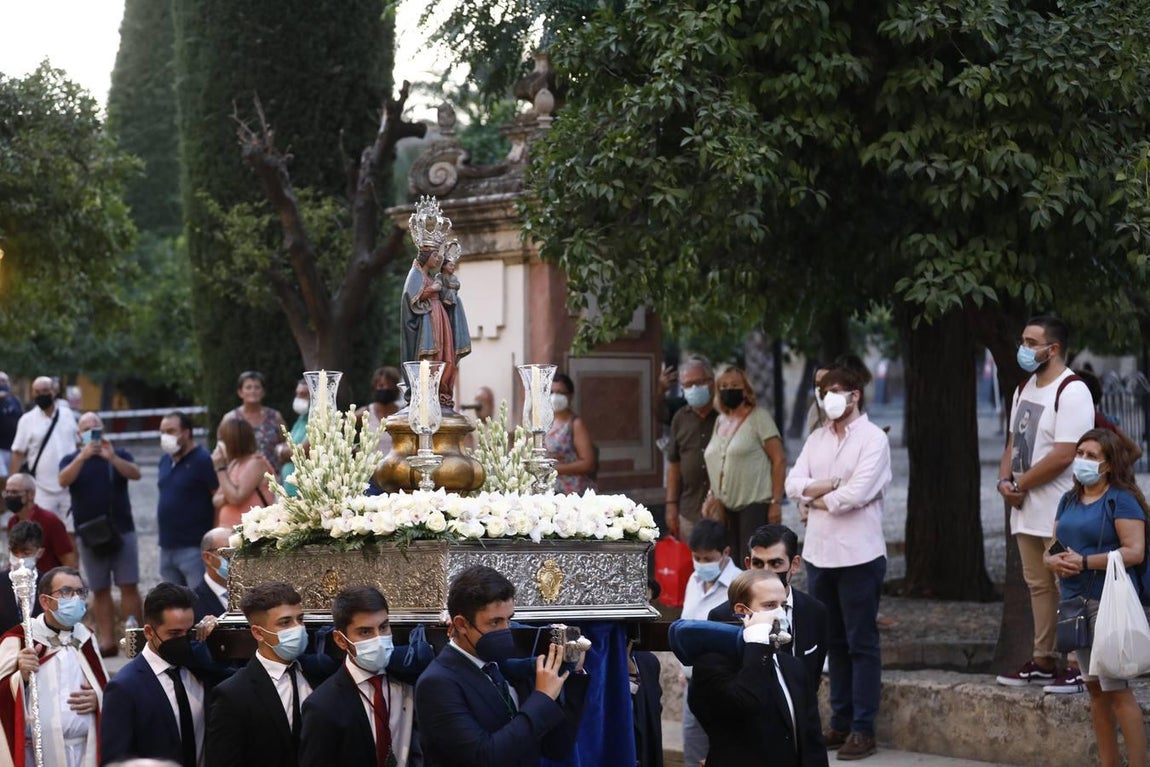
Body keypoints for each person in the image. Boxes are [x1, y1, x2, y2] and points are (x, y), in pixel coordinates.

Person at [785, 362, 891, 761]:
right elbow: (792, 484)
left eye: (834, 391)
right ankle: (841, 721)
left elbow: (858, 495)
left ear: (854, 395)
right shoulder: (817, 439)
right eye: (822, 391)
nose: (826, 398)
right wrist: (827, 487)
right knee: (833, 642)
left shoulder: (873, 440)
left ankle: (864, 728)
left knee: (861, 642)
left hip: (860, 554)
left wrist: (813, 499)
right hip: (820, 554)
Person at [996, 316, 1094, 692]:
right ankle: (1043, 658)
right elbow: (1012, 444)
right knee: (1038, 585)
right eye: (1022, 339)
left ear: (1052, 349)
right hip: (1025, 509)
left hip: (1058, 509)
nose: (1023, 347)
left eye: (1031, 341)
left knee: (1067, 583)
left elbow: (1066, 452)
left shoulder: (1071, 391)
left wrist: (1019, 482)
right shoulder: (1024, 388)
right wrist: (1006, 481)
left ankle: (1075, 662)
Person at [415, 564, 589, 767]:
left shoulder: (508, 664)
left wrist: (573, 671)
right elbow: (484, 757)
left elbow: (556, 748)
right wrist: (542, 698)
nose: (506, 631)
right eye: (494, 623)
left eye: (509, 620)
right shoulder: (437, 683)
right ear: (462, 625)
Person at [1044, 429, 1147, 767]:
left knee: (1116, 688)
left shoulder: (1121, 499)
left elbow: (1134, 551)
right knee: (1095, 690)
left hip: (1107, 602)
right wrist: (1052, 560)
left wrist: (1086, 562)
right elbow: (1052, 545)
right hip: (1074, 603)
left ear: (1108, 463)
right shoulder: (1068, 499)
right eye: (1080, 453)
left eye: (1091, 455)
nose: (1082, 461)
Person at [688, 570, 829, 767]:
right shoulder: (712, 665)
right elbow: (746, 703)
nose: (780, 613)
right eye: (770, 605)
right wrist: (757, 641)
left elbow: (812, 741)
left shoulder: (793, 666)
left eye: (783, 605)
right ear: (742, 610)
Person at [0, 566, 109, 767]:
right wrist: (20, 678)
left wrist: (99, 699)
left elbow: (104, 687)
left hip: (84, 751)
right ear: (45, 601)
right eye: (67, 592)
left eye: (80, 592)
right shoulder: (20, 639)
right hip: (36, 754)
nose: (76, 598)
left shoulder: (86, 638)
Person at [299, 585, 418, 767]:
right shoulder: (322, 706)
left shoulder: (408, 679)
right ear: (340, 640)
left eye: (384, 627)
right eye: (365, 632)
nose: (379, 639)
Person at [57, 412, 142, 657]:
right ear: (79, 434)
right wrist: (82, 457)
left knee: (129, 585)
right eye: (86, 427)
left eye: (96, 426)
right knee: (100, 589)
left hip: (122, 529)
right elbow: (63, 480)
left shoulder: (118, 453)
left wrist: (113, 457)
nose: (92, 430)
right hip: (89, 534)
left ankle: (134, 638)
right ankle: (107, 641)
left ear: (103, 430)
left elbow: (135, 474)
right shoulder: (72, 458)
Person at [707, 524, 829, 696]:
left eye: (775, 563)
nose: (766, 572)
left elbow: (811, 682)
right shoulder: (723, 617)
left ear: (794, 564)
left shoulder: (815, 612)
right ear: (748, 564)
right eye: (758, 563)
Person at [206, 582, 315, 767]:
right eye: (285, 622)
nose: (298, 628)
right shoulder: (232, 695)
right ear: (258, 633)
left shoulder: (318, 673)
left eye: (300, 619)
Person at [101, 583, 208, 766]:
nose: (183, 639)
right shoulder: (124, 687)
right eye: (174, 633)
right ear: (149, 632)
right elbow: (117, 759)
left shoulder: (199, 668)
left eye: (188, 632)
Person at [702, 365, 786, 558]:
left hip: (754, 505)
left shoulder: (759, 417)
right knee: (728, 563)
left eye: (734, 385)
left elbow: (779, 459)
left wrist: (776, 502)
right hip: (723, 507)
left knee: (752, 563)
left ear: (745, 389)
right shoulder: (720, 421)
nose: (728, 389)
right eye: (723, 386)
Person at [679, 519, 742, 767]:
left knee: (726, 748)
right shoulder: (693, 581)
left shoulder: (740, 585)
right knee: (693, 748)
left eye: (708, 558)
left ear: (726, 553)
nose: (702, 564)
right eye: (697, 558)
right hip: (693, 681)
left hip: (726, 682)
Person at [401, 233, 471, 407]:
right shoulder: (415, 274)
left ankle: (442, 390)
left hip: (439, 317)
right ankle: (427, 389)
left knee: (445, 352)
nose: (438, 259)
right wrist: (432, 289)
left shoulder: (432, 276)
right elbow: (412, 298)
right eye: (435, 255)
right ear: (425, 256)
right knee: (431, 352)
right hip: (428, 321)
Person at [157, 412, 218, 588]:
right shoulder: (165, 461)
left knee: (198, 602)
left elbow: (217, 498)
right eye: (162, 432)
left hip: (194, 547)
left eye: (171, 431)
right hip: (167, 546)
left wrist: (212, 540)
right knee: (173, 604)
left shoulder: (203, 460)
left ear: (186, 433)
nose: (165, 436)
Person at [8, 376, 79, 528]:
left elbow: (81, 437)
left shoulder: (68, 414)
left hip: (71, 487)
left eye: (45, 391)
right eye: (37, 392)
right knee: (43, 534)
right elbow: (18, 453)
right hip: (42, 490)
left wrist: (97, 439)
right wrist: (12, 485)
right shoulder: (27, 420)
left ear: (54, 391)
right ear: (33, 395)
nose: (41, 395)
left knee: (72, 534)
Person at [665, 356, 718, 541]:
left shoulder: (724, 415)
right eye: (687, 385)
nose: (693, 389)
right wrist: (671, 505)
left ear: (711, 383)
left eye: (698, 383)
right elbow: (674, 465)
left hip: (721, 511)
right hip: (689, 510)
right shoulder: (680, 418)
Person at [3, 473, 76, 572]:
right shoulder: (12, 522)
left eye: (14, 492)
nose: (9, 496)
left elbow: (68, 560)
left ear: (31, 494)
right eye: (7, 492)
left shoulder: (49, 521)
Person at [218, 371, 286, 475]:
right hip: (240, 478)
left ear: (263, 392)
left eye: (257, 387)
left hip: (272, 479)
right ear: (240, 392)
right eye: (248, 387)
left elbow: (286, 443)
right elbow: (221, 449)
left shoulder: (275, 417)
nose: (253, 391)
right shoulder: (230, 419)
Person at [212, 417, 273, 530]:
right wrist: (228, 495)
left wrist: (220, 468)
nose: (219, 445)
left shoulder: (256, 463)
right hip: (227, 530)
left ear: (233, 440)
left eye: (222, 439)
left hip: (249, 533)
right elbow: (216, 500)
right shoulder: (234, 463)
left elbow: (236, 498)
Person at [544, 373, 596, 495]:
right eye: (551, 392)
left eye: (560, 392)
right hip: (547, 489)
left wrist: (553, 469)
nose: (555, 396)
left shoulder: (575, 424)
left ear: (570, 395)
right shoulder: (543, 423)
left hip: (571, 491)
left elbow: (587, 463)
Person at [0, 522, 44, 635]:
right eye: (15, 552)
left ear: (39, 552)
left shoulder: (48, 584)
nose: (20, 558)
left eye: (26, 553)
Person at [360, 367, 401, 457]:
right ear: (375, 387)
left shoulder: (402, 415)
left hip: (397, 468)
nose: (385, 389)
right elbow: (342, 427)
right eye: (381, 385)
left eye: (389, 385)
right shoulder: (366, 413)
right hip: (371, 468)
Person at [193, 528, 232, 622]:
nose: (236, 558)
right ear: (208, 557)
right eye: (228, 552)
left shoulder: (252, 594)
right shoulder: (193, 603)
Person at [279, 380, 310, 497]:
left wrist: (281, 451)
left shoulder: (319, 420)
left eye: (303, 394)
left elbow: (300, 452)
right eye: (297, 394)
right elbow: (288, 446)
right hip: (290, 492)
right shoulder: (301, 419)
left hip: (305, 493)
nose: (298, 398)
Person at [0, 372, 22, 491]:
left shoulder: (14, 401)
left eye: (4, 381)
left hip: (12, 446)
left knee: (11, 477)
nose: (2, 383)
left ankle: (6, 504)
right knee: (1, 476)